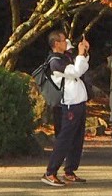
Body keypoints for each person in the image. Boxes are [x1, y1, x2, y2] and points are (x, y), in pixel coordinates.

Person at [41, 31, 91, 187]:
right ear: (56, 43)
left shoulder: (65, 57)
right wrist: (81, 54)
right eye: (63, 41)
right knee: (65, 138)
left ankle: (69, 171)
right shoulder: (55, 61)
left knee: (77, 139)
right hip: (70, 103)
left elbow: (81, 67)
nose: (66, 43)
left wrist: (84, 52)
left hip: (79, 102)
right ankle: (50, 172)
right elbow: (76, 71)